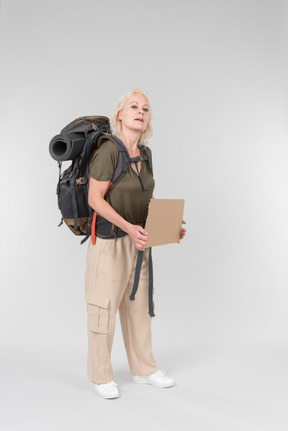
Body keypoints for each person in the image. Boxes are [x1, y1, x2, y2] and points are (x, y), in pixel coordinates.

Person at [85, 88, 186, 399]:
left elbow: (146, 196)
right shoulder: (109, 151)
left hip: (140, 242)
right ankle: (100, 376)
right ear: (121, 115)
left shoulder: (145, 153)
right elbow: (94, 199)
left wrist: (167, 225)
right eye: (133, 106)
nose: (140, 111)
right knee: (103, 310)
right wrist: (129, 227)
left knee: (140, 309)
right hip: (110, 242)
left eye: (145, 108)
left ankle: (143, 369)